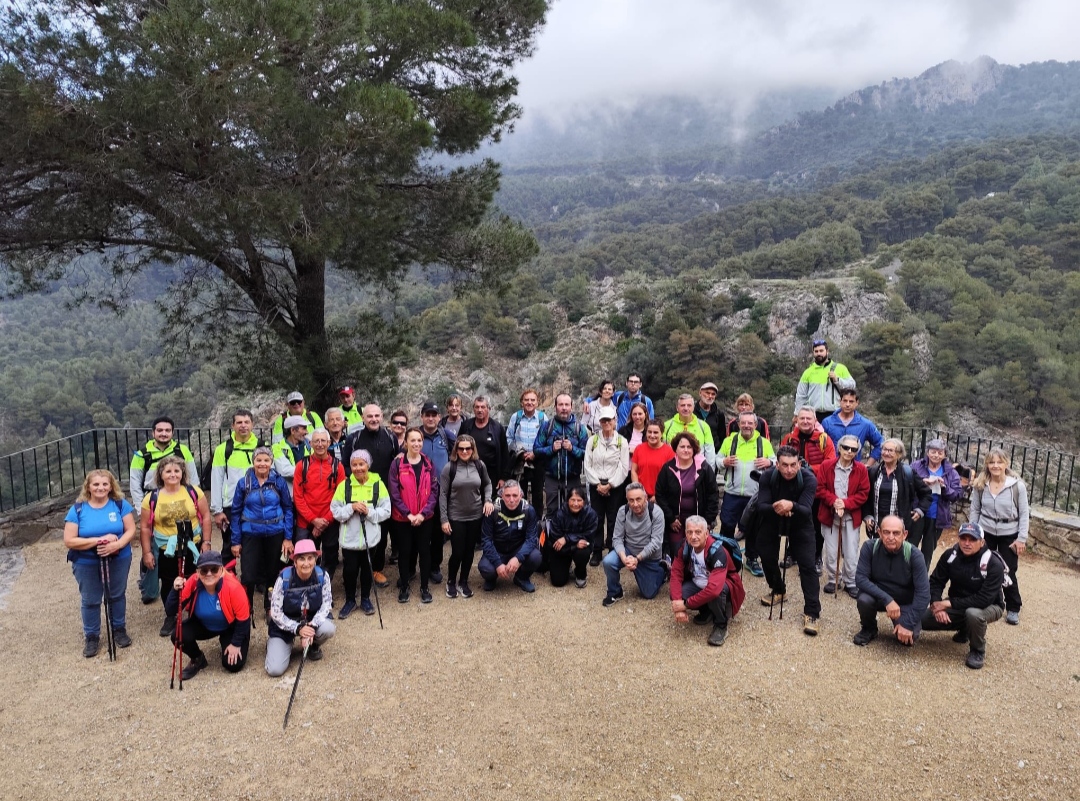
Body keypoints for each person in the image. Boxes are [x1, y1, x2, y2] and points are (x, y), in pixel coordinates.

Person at [63, 470, 136, 657]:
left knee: (117, 595)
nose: (100, 488)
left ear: (111, 486)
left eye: (105, 484)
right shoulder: (78, 509)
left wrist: (117, 544)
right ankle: (92, 636)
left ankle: (119, 629)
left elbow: (131, 529)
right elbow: (69, 540)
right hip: (86, 561)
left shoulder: (120, 505)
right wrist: (99, 541)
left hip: (119, 557)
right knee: (90, 599)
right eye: (96, 484)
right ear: (88, 487)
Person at [139, 455, 211, 637]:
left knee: (197, 578)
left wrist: (207, 542)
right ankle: (171, 614)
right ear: (161, 474)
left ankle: (196, 612)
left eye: (176, 471)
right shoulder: (151, 498)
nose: (173, 474)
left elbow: (206, 517)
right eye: (168, 471)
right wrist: (147, 552)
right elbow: (146, 527)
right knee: (169, 581)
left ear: (182, 473)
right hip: (167, 548)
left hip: (192, 544)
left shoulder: (194, 492)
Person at [920, 522, 1005, 669]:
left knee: (973, 614)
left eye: (972, 539)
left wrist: (948, 603)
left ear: (982, 542)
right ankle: (965, 628)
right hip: (958, 604)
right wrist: (936, 604)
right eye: (963, 538)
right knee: (922, 620)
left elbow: (984, 599)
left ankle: (977, 650)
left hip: (989, 605)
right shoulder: (950, 556)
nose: (967, 543)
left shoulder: (993, 564)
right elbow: (935, 581)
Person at [754, 446, 821, 636]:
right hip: (772, 520)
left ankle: (812, 612)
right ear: (777, 464)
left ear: (799, 464)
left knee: (807, 565)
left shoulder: (809, 478)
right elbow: (761, 506)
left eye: (793, 465)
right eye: (784, 465)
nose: (789, 470)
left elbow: (807, 510)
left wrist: (791, 506)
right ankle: (778, 589)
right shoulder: (768, 476)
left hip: (801, 523)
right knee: (766, 555)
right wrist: (784, 507)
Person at [165, 549, 251, 679]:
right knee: (177, 635)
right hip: (204, 624)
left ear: (222, 570)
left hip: (230, 627)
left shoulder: (234, 587)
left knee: (233, 665)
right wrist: (175, 590)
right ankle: (198, 659)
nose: (209, 574)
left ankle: (226, 640)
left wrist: (235, 643)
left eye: (214, 569)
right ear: (198, 572)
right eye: (204, 570)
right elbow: (171, 610)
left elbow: (244, 619)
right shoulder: (193, 582)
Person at [231, 446, 294, 618]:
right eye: (259, 460)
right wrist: (236, 541)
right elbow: (235, 512)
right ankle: (246, 606)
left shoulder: (278, 481)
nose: (262, 463)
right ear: (253, 462)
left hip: (275, 531)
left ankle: (270, 605)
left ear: (271, 462)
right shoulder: (244, 483)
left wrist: (288, 537)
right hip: (251, 532)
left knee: (273, 571)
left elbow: (288, 509)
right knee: (249, 574)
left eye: (266, 460)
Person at [968, 448, 1029, 626]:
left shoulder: (1017, 486)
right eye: (992, 462)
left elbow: (1024, 514)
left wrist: (1021, 538)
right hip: (985, 530)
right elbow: (975, 510)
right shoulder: (981, 484)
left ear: (1006, 463)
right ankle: (989, 601)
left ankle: (1013, 607)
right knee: (982, 567)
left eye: (999, 462)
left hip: (1009, 533)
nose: (995, 466)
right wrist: (974, 533)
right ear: (987, 464)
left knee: (1008, 570)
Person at [342, 404, 400, 587]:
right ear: (362, 418)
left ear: (382, 416)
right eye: (369, 416)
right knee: (356, 533)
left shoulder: (390, 437)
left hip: (383, 494)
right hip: (359, 493)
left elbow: (396, 465)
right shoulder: (354, 438)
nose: (373, 419)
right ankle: (354, 569)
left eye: (377, 415)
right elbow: (345, 466)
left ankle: (376, 569)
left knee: (381, 536)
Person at [852, 515, 930, 647]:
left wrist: (908, 624)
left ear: (904, 534)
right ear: (879, 533)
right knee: (864, 599)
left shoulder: (915, 555)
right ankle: (869, 628)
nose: (891, 537)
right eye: (886, 532)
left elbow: (924, 594)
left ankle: (902, 623)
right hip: (879, 599)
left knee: (910, 638)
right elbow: (860, 579)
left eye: (896, 533)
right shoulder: (870, 547)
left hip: (904, 602)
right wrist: (888, 600)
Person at [330, 449, 392, 617]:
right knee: (349, 570)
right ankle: (350, 600)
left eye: (361, 464)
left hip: (370, 539)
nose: (358, 468)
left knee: (367, 569)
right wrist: (351, 507)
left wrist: (369, 512)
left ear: (368, 465)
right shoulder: (345, 485)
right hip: (349, 539)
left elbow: (386, 511)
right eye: (354, 464)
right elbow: (335, 511)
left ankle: (365, 598)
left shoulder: (378, 484)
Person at [670, 516, 746, 647]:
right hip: (698, 583)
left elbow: (713, 589)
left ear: (706, 534)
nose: (693, 536)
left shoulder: (717, 551)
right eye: (690, 532)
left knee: (717, 592)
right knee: (677, 592)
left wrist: (686, 604)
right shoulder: (684, 546)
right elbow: (675, 574)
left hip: (723, 586)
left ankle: (721, 625)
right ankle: (707, 610)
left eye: (698, 532)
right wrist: (677, 603)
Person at [266, 539, 336, 676]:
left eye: (310, 558)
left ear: (315, 560)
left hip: (310, 621)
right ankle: (278, 645)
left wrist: (311, 627)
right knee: (275, 670)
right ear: (295, 561)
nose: (306, 563)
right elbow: (275, 613)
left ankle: (313, 645)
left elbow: (327, 604)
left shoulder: (323, 575)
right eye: (301, 559)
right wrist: (298, 629)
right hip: (285, 626)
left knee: (329, 629)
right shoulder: (283, 579)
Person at [780, 406, 837, 574]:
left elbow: (829, 464)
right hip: (793, 487)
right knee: (793, 520)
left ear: (814, 421)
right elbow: (781, 458)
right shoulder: (789, 439)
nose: (805, 421)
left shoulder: (824, 440)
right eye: (802, 418)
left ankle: (816, 556)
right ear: (796, 420)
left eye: (808, 418)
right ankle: (792, 553)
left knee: (815, 523)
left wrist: (808, 469)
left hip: (816, 489)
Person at [718, 410, 776, 577]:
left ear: (755, 425)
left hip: (755, 494)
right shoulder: (730, 441)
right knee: (727, 525)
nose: (747, 426)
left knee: (753, 528)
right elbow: (716, 459)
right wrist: (724, 461)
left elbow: (776, 462)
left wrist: (769, 462)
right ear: (738, 424)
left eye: (750, 423)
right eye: (743, 423)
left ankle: (751, 558)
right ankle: (726, 556)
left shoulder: (763, 443)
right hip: (732, 492)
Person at [387, 428, 439, 605]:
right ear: (406, 443)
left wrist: (423, 514)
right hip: (403, 519)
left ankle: (424, 587)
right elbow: (394, 493)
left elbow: (434, 491)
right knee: (405, 552)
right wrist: (408, 514)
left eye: (419, 440)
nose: (416, 444)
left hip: (425, 518)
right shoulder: (397, 465)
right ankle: (404, 587)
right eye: (413, 440)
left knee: (424, 552)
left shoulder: (428, 463)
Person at [439, 434, 494, 599]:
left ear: (473, 449)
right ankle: (451, 581)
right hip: (456, 515)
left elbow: (487, 484)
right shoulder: (450, 467)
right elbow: (442, 494)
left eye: (467, 448)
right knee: (457, 551)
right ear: (456, 449)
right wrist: (444, 519)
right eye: (461, 448)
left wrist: (488, 500)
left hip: (476, 515)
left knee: (470, 551)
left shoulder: (479, 465)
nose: (464, 451)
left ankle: (463, 581)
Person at [816, 434, 870, 595]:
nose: (849, 451)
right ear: (839, 448)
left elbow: (863, 493)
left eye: (853, 449)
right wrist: (834, 502)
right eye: (846, 447)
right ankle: (833, 579)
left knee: (851, 551)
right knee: (831, 550)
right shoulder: (826, 465)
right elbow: (820, 489)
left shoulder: (861, 469)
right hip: (830, 514)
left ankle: (850, 581)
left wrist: (845, 504)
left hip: (850, 516)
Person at [863, 439, 931, 563]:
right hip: (878, 526)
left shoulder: (907, 473)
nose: (886, 453)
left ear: (899, 454)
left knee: (897, 561)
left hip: (897, 528)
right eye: (884, 449)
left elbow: (926, 494)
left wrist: (920, 510)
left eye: (890, 450)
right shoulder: (874, 471)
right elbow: (866, 497)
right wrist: (867, 516)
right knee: (877, 559)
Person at [654, 432, 720, 562]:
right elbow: (660, 494)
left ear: (694, 449)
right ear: (676, 449)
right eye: (682, 446)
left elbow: (713, 495)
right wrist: (670, 518)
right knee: (678, 552)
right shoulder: (668, 468)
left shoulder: (704, 468)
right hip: (676, 521)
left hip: (698, 519)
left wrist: (706, 521)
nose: (685, 450)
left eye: (689, 447)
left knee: (698, 551)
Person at [292, 429, 345, 580]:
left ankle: (325, 587)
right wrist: (314, 520)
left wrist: (324, 521)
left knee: (330, 557)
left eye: (323, 441)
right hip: (306, 521)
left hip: (330, 521)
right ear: (310, 443)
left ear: (329, 443)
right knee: (304, 558)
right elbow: (298, 496)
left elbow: (340, 497)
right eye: (317, 441)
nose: (320, 444)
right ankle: (307, 587)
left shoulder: (337, 466)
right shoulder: (302, 466)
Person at [209, 409, 264, 554]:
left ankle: (251, 577)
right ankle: (228, 576)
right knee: (229, 547)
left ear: (252, 425)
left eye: (247, 422)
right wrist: (217, 510)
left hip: (258, 505)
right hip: (231, 506)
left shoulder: (262, 447)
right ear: (233, 426)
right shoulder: (223, 449)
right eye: (239, 422)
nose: (243, 425)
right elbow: (216, 480)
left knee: (256, 547)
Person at [601, 483, 665, 606]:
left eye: (638, 499)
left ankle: (662, 570)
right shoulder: (622, 511)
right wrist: (624, 558)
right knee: (608, 561)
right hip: (629, 550)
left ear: (645, 498)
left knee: (649, 594)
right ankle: (614, 592)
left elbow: (656, 542)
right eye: (631, 500)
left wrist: (637, 559)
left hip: (649, 556)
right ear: (627, 500)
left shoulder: (656, 513)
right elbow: (617, 538)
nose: (635, 504)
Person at [583, 406, 630, 566]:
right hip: (596, 484)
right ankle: (596, 551)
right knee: (596, 518)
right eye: (603, 420)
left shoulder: (621, 442)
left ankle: (612, 548)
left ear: (615, 421)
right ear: (600, 422)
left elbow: (623, 467)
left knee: (613, 519)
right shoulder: (593, 441)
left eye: (609, 420)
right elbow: (587, 464)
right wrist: (598, 484)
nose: (606, 423)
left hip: (614, 486)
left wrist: (610, 485)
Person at [478, 480, 542, 593]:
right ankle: (492, 578)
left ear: (521, 495)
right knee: (485, 568)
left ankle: (521, 578)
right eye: (507, 496)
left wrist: (518, 558)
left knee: (536, 556)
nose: (511, 500)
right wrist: (497, 563)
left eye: (515, 495)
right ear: (502, 495)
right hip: (498, 550)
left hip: (517, 549)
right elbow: (486, 540)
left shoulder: (529, 510)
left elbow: (531, 539)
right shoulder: (493, 510)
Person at [532, 393, 589, 518]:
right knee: (552, 512)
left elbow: (587, 454)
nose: (564, 408)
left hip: (573, 478)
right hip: (551, 478)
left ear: (571, 407)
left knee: (574, 511)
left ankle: (572, 537)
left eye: (566, 405)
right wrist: (551, 449)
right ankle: (553, 537)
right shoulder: (547, 426)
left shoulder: (580, 428)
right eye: (561, 404)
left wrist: (572, 449)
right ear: (555, 407)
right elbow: (536, 450)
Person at [910, 438, 963, 569]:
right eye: (933, 452)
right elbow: (906, 485)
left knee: (928, 551)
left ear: (944, 455)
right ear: (927, 452)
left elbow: (957, 495)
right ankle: (905, 576)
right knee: (910, 546)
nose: (936, 455)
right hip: (917, 513)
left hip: (937, 516)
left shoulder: (950, 472)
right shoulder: (916, 466)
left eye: (940, 453)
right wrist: (922, 482)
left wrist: (944, 486)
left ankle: (921, 578)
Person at [128, 415, 199, 509]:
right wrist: (141, 509)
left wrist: (195, 503)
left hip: (182, 501)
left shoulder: (183, 451)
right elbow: (135, 485)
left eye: (167, 430)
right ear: (153, 433)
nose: (164, 433)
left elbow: (193, 479)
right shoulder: (141, 455)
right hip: (153, 503)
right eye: (160, 430)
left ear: (172, 433)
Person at [419, 401, 452, 583]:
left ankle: (434, 566)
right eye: (427, 415)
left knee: (438, 533)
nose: (431, 418)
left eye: (434, 415)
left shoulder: (445, 435)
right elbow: (402, 455)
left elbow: (460, 452)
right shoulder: (415, 435)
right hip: (418, 493)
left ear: (439, 417)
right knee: (420, 531)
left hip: (441, 492)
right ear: (422, 416)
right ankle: (414, 566)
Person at [544, 488, 598, 588]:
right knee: (558, 581)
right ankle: (566, 565)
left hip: (580, 547)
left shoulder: (591, 514)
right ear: (567, 500)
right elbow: (555, 539)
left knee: (583, 551)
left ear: (584, 501)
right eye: (573, 500)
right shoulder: (559, 514)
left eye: (579, 500)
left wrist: (567, 538)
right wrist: (574, 543)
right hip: (563, 549)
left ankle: (580, 574)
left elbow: (589, 535)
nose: (576, 504)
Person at [459, 395, 511, 497]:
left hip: (492, 476)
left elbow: (505, 454)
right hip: (469, 474)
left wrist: (503, 478)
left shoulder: (497, 428)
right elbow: (458, 449)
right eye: (477, 407)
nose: (480, 410)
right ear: (473, 409)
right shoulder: (466, 426)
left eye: (483, 407)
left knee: (490, 506)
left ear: (489, 409)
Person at [506, 388, 546, 509]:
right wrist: (520, 453)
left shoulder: (542, 417)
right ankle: (520, 521)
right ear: (521, 402)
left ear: (537, 402)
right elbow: (509, 438)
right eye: (526, 400)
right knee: (519, 493)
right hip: (520, 461)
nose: (529, 402)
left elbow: (547, 440)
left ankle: (538, 523)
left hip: (537, 460)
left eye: (532, 400)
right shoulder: (516, 417)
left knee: (538, 494)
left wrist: (535, 453)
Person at [820, 388, 882, 465]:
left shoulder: (865, 424)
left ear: (857, 403)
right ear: (840, 401)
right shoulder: (827, 422)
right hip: (831, 468)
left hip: (854, 470)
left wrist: (867, 465)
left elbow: (880, 444)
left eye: (851, 401)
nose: (848, 404)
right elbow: (820, 446)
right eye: (845, 401)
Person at [663, 393, 716, 468]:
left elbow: (710, 454)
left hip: (697, 471)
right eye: (682, 405)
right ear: (677, 408)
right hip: (673, 471)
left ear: (693, 408)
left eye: (689, 405)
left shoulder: (703, 426)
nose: (686, 408)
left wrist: (709, 475)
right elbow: (662, 451)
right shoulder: (667, 426)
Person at [629, 420, 675, 501]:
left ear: (662, 433)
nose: (652, 435)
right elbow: (634, 471)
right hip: (641, 497)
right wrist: (639, 491)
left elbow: (670, 477)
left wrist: (658, 495)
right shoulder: (639, 448)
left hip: (661, 497)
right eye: (649, 432)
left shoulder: (669, 452)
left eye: (656, 432)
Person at [272, 414, 312, 498]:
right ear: (293, 430)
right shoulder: (277, 447)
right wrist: (309, 470)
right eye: (304, 428)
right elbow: (284, 470)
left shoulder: (308, 446)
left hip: (307, 495)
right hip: (288, 496)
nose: (307, 432)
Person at [694, 382, 726, 450]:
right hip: (695, 451)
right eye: (707, 393)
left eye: (713, 394)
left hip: (714, 453)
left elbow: (722, 437)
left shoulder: (719, 414)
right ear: (700, 393)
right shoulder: (692, 412)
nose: (710, 396)